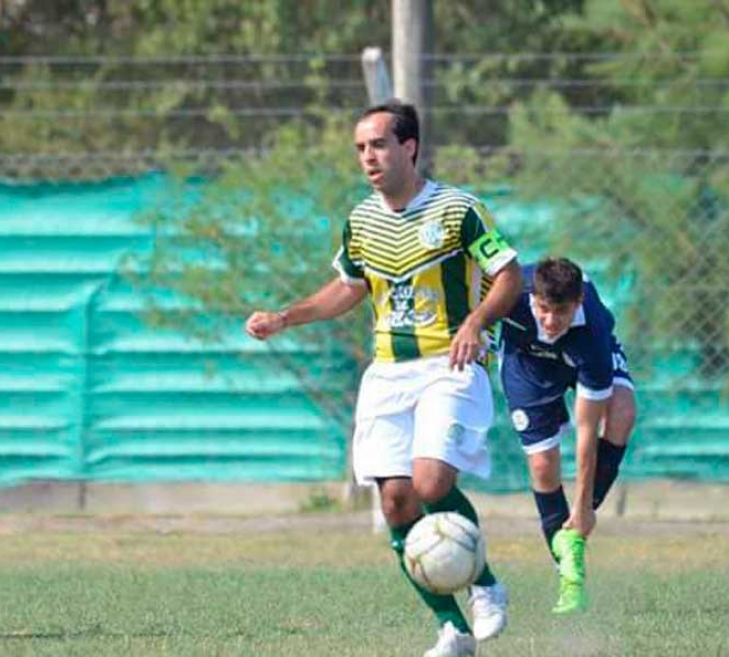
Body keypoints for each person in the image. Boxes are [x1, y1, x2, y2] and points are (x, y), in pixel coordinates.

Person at [245, 100, 523, 657]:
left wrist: (476, 321)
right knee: (395, 503)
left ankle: (487, 584)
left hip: (450, 362)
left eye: (378, 145)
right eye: (360, 148)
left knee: (429, 485)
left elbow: (508, 276)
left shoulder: (459, 209)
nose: (367, 157)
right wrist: (286, 317)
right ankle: (453, 628)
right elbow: (348, 287)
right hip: (388, 372)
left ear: (409, 147)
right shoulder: (362, 220)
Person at [497, 257, 636, 614]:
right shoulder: (510, 292)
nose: (550, 320)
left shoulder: (592, 336)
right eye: (543, 309)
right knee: (543, 466)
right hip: (526, 363)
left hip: (581, 357)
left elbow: (587, 429)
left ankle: (576, 524)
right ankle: (568, 570)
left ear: (577, 303)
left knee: (621, 413)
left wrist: (583, 504)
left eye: (561, 312)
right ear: (532, 300)